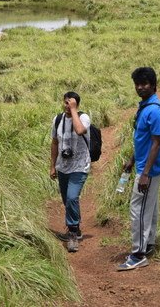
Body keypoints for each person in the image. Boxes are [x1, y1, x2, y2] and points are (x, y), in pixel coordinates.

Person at [118, 67, 160, 271]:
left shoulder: (155, 111)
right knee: (150, 207)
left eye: (144, 84)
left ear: (154, 85)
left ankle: (138, 254)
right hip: (143, 165)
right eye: (137, 84)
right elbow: (144, 140)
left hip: (149, 169)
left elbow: (157, 143)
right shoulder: (145, 106)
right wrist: (132, 160)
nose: (140, 88)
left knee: (138, 209)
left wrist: (145, 174)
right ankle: (148, 244)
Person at [50, 91, 91, 252]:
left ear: (77, 104)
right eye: (66, 102)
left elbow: (80, 130)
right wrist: (52, 166)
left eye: (71, 103)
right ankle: (77, 228)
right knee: (67, 200)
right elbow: (54, 143)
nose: (67, 106)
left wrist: (73, 110)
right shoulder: (57, 119)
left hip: (80, 165)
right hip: (63, 166)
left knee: (72, 197)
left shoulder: (83, 118)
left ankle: (72, 234)